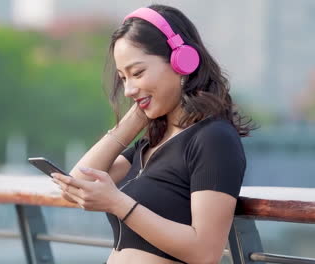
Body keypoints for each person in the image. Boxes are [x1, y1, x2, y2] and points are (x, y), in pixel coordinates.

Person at [51, 4, 255, 264]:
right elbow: (77, 185)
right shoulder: (149, 144)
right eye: (123, 78)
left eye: (137, 73)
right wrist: (134, 118)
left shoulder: (214, 139)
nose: (128, 90)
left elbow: (205, 252)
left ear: (182, 60)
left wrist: (118, 203)